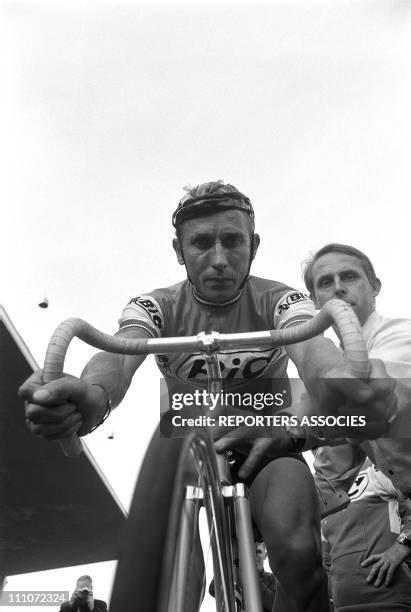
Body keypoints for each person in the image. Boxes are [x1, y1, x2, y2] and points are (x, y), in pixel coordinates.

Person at [20, 183, 394, 612]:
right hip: (186, 445)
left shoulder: (282, 298)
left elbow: (313, 352)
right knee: (176, 571)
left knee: (300, 555)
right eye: (201, 243)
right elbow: (120, 356)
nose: (218, 259)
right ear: (179, 250)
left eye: (232, 241)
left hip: (265, 441)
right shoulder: (155, 305)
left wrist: (341, 382)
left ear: (252, 245)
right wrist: (93, 395)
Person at [321, 464, 411, 611]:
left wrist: (403, 544)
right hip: (343, 605)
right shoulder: (320, 492)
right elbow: (326, 564)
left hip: (388, 600)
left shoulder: (374, 471)